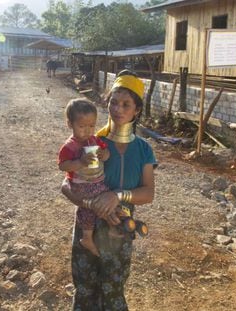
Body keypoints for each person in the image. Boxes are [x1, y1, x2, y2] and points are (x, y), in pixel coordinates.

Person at [61, 70, 156, 310]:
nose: (118, 109)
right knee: (85, 287)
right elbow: (66, 184)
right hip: (89, 225)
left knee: (113, 288)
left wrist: (117, 196)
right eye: (114, 102)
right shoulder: (92, 143)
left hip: (120, 224)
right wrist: (92, 205)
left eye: (126, 104)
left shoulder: (144, 149)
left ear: (137, 110)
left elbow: (148, 193)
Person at [58, 99, 111, 257]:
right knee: (88, 208)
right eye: (82, 126)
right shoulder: (69, 146)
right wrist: (79, 162)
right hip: (81, 185)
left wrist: (104, 155)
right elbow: (63, 165)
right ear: (70, 124)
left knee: (107, 198)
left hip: (97, 180)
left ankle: (112, 226)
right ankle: (87, 238)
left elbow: (107, 153)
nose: (87, 131)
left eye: (91, 126)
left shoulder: (94, 140)